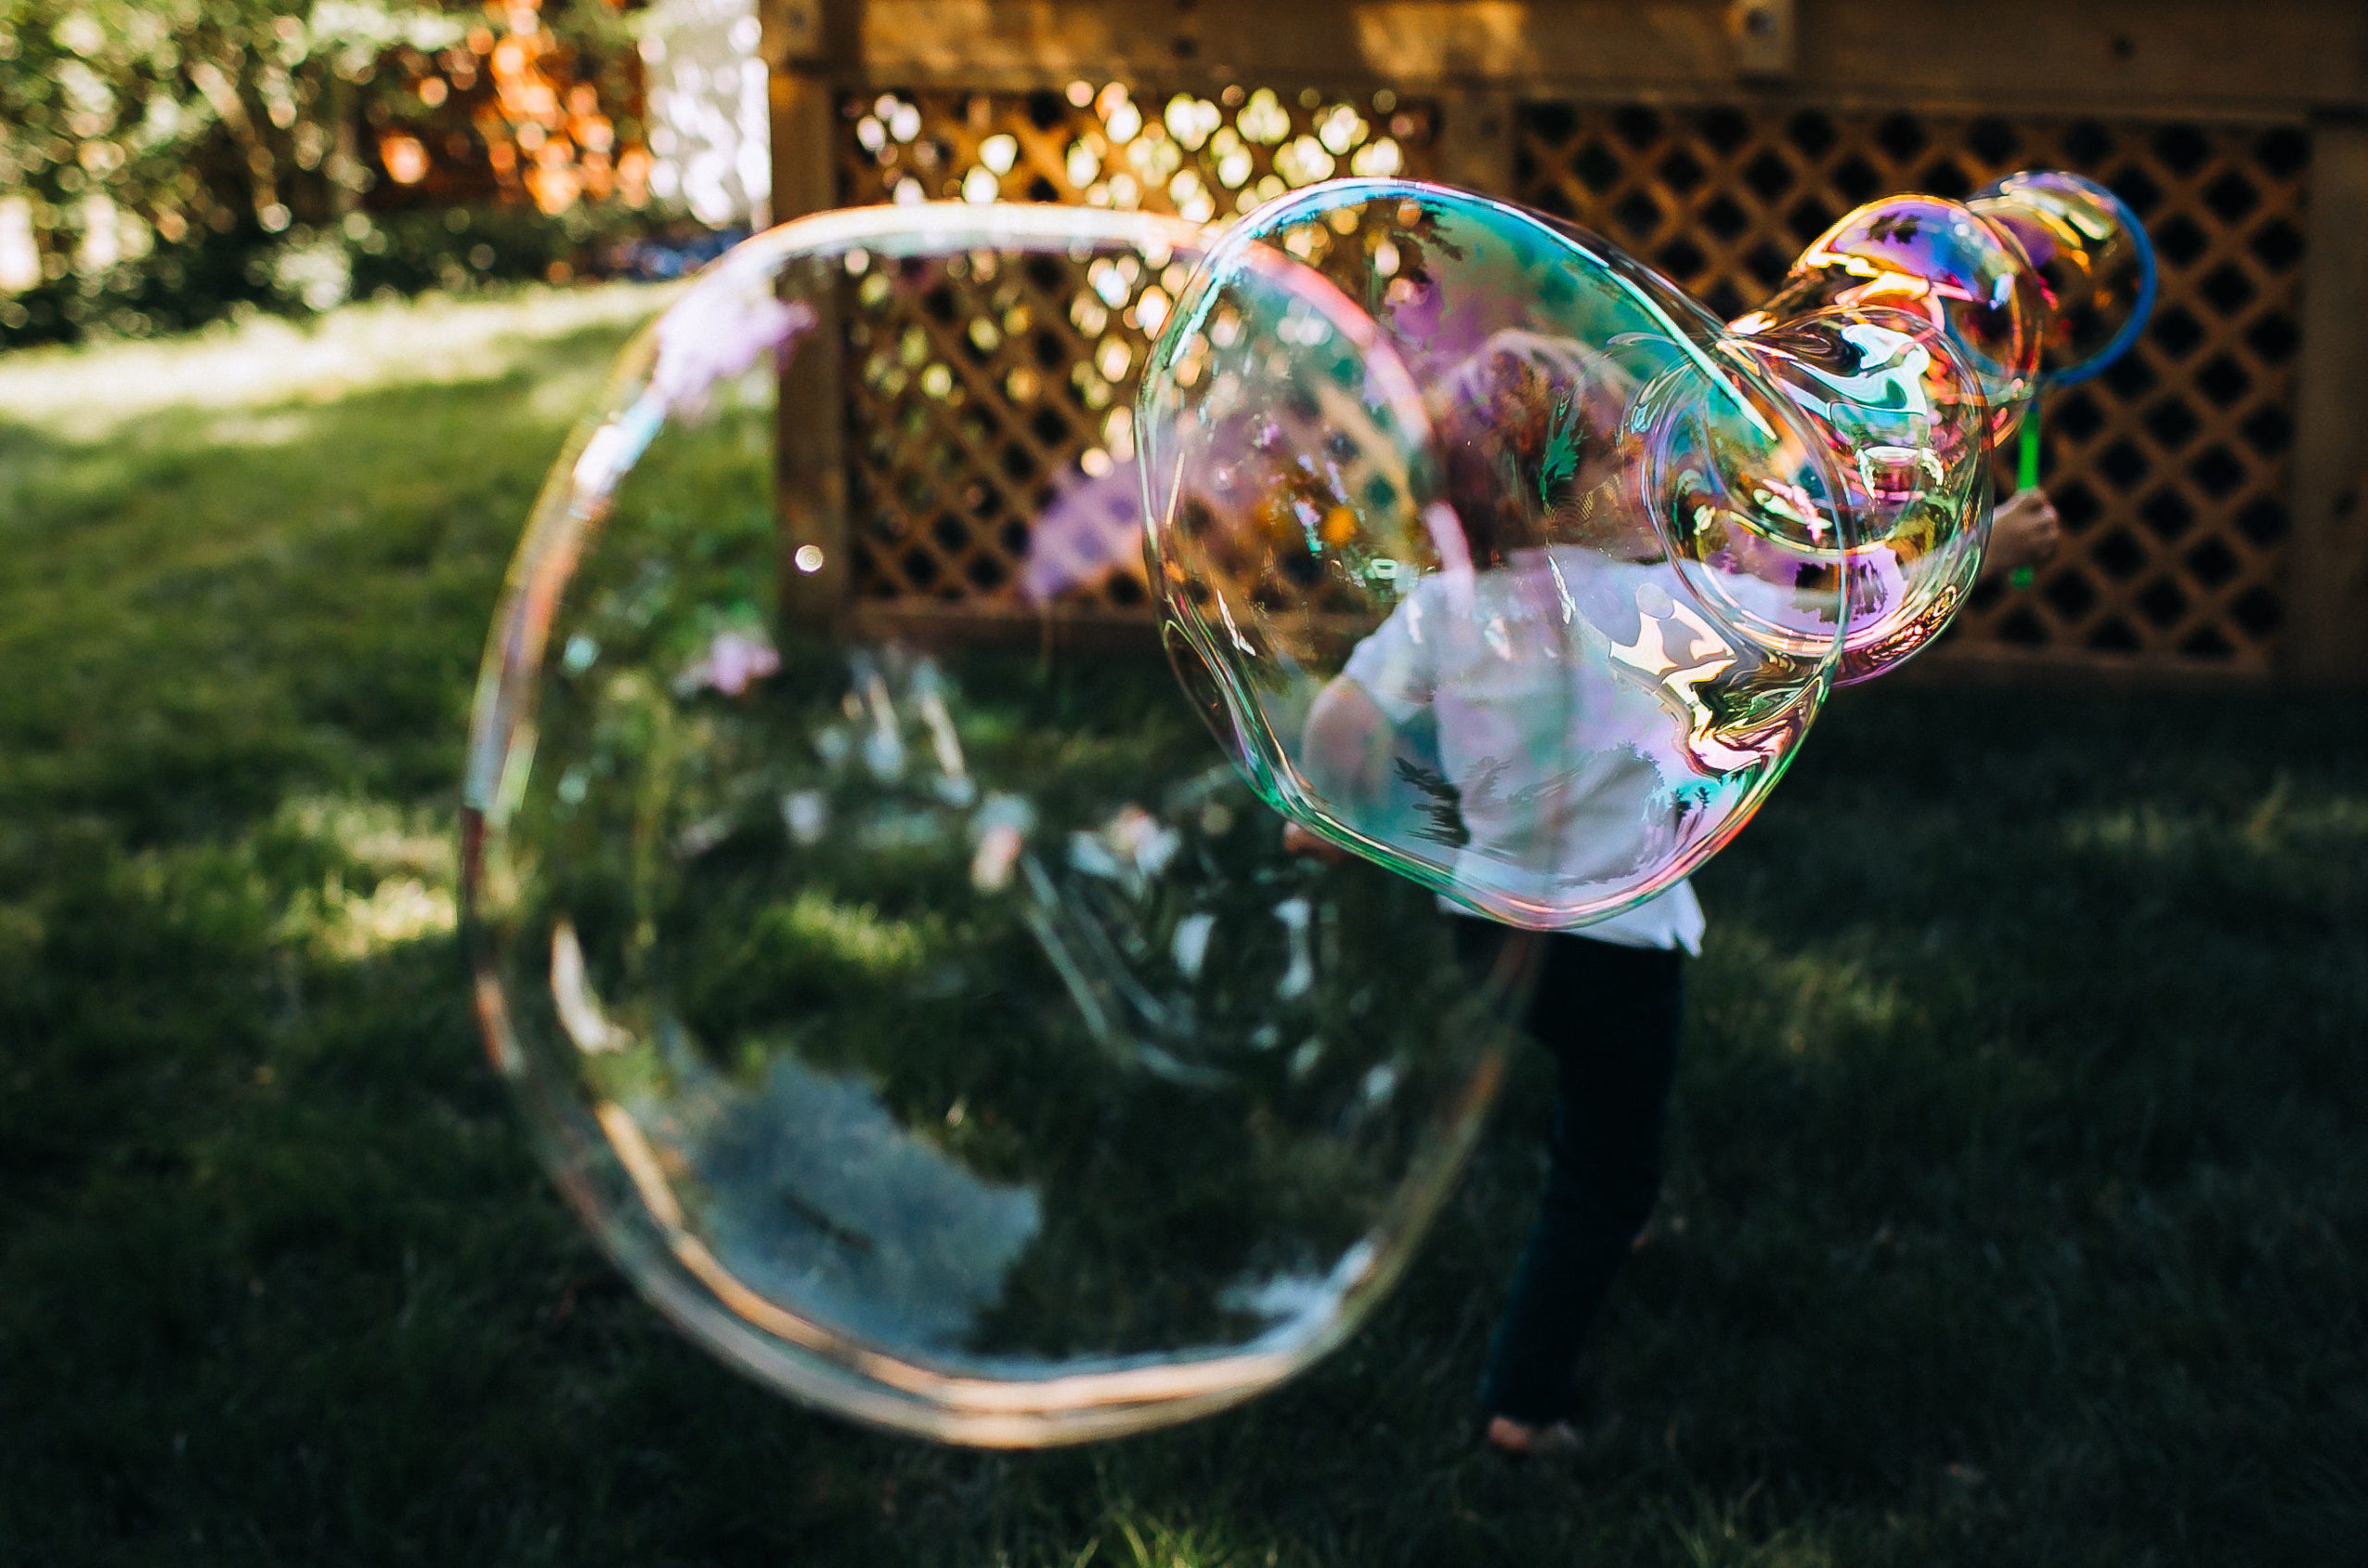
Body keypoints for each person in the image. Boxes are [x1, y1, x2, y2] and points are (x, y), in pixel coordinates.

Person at [1286, 336, 2065, 1460]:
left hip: (1488, 932)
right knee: (1605, 1170)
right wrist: (1983, 551)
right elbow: (1840, 613)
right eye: (1619, 464)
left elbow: (1344, 725)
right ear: (1547, 499)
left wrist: (1326, 815)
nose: (1654, 478)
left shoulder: (1446, 609)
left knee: (1575, 1089)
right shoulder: (1660, 605)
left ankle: (1603, 1205)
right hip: (1617, 947)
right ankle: (1524, 1399)